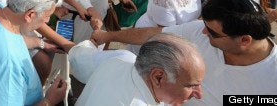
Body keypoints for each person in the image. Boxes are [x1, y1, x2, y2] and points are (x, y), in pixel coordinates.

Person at [91, 0, 277, 105]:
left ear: (244, 40)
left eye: (213, 33)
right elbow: (152, 34)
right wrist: (108, 36)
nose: (204, 34)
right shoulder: (203, 30)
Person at [69, 33, 204, 105]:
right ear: (158, 77)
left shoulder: (122, 57)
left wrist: (91, 44)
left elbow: (80, 59)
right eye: (191, 85)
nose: (199, 94)